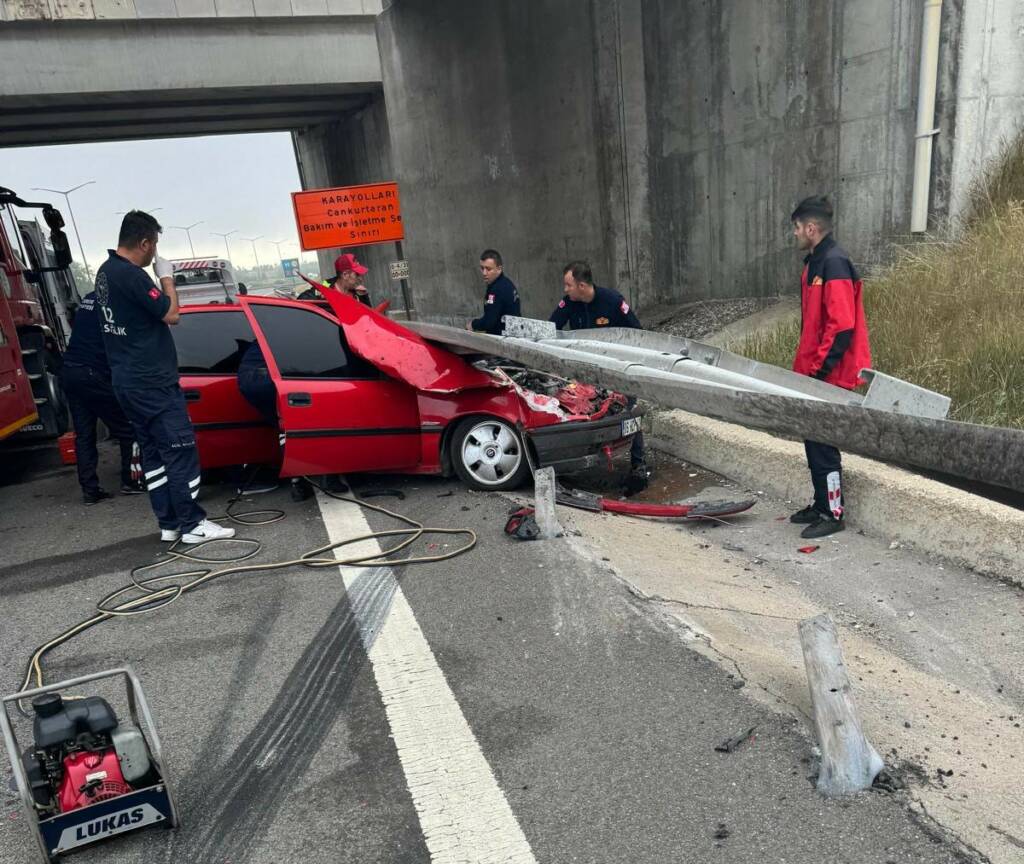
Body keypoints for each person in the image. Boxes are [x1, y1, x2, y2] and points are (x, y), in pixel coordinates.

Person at [95, 210, 235, 544]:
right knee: (180, 449)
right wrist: (167, 278)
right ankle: (192, 524)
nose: (154, 253)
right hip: (152, 382)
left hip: (127, 381)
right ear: (144, 242)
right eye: (154, 245)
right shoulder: (130, 275)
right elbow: (171, 314)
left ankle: (169, 523)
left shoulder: (105, 273)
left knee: (154, 455)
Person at [788, 195, 871, 539]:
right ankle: (822, 503)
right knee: (814, 441)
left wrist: (819, 374)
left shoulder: (834, 263)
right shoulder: (815, 263)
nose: (794, 234)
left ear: (811, 227)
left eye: (796, 228)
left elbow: (842, 326)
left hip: (829, 375)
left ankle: (833, 512)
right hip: (814, 371)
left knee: (824, 446)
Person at [549, 260, 647, 489]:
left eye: (568, 285)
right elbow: (551, 328)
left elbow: (638, 334)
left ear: (582, 286)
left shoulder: (612, 301)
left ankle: (638, 465)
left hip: (616, 371)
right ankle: (587, 462)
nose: (565, 290)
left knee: (628, 415)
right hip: (585, 373)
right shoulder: (568, 304)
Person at [60, 291, 145, 504]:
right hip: (92, 374)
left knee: (84, 436)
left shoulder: (91, 298)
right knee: (128, 429)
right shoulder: (118, 301)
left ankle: (90, 491)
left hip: (70, 371)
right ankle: (132, 481)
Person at [469, 249, 520, 334]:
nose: (484, 273)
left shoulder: (497, 289)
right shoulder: (506, 283)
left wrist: (472, 324)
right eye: (482, 268)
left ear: (499, 269)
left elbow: (488, 322)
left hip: (503, 339)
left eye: (488, 269)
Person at [298, 253, 372, 304]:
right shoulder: (325, 287)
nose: (360, 279)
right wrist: (321, 298)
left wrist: (364, 297)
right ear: (345, 275)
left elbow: (368, 318)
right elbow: (301, 300)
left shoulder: (359, 294)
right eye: (357, 274)